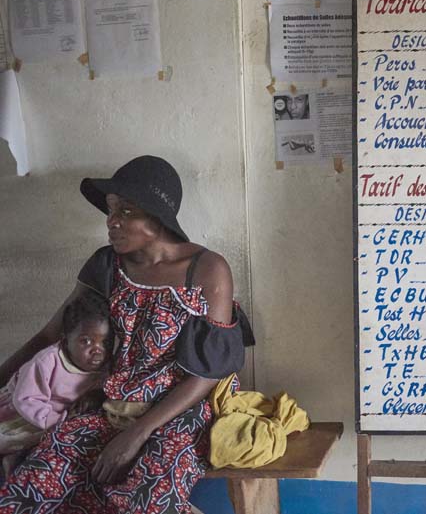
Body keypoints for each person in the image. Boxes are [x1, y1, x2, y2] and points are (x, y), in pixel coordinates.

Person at [0, 155, 252, 513]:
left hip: (183, 412)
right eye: (111, 210)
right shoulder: (107, 265)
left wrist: (138, 433)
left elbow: (208, 372)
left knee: (141, 501)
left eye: (126, 211)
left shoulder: (207, 270)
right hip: (113, 406)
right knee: (32, 485)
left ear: (157, 216)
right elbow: (48, 336)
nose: (112, 222)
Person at [0, 291, 112, 478]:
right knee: (14, 440)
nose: (97, 350)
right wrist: (60, 421)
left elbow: (101, 391)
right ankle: (13, 458)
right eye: (86, 341)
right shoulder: (47, 361)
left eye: (105, 342)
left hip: (61, 417)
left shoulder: (104, 367)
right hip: (25, 414)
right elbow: (27, 400)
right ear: (66, 338)